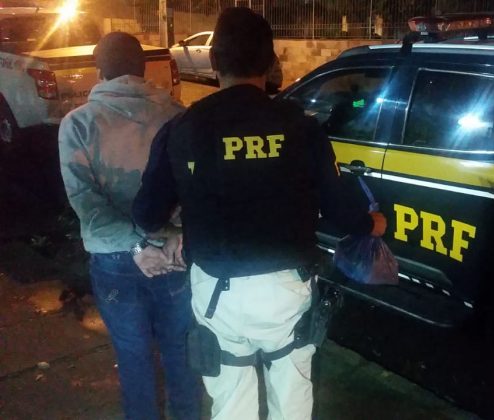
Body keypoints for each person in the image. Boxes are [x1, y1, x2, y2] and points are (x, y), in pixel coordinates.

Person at [132, 7, 386, 420]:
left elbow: (146, 215)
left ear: (214, 61)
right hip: (286, 290)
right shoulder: (302, 127)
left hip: (218, 291)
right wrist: (371, 224)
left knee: (232, 401)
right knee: (292, 393)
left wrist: (179, 226)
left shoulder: (182, 128)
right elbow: (341, 210)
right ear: (270, 64)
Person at [58, 32, 201, 420]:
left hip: (116, 262)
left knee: (134, 358)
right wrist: (173, 235)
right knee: (181, 354)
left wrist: (138, 245)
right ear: (142, 70)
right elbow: (196, 189)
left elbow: (88, 205)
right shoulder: (178, 115)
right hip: (173, 256)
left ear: (99, 71)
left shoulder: (78, 124)